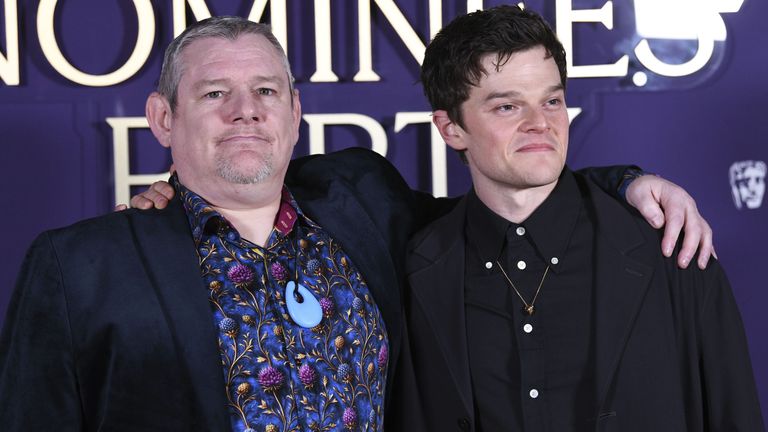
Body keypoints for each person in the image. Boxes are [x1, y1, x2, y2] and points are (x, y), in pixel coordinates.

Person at [0, 15, 713, 432]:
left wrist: (625, 183)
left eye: (266, 90)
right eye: (215, 92)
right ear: (163, 119)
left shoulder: (363, 201)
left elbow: (506, 204)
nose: (245, 110)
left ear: (294, 110)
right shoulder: (81, 265)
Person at [396, 5, 764, 431]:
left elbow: (734, 415)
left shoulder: (672, 247)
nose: (540, 124)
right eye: (507, 108)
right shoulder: (416, 271)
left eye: (551, 101)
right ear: (450, 128)